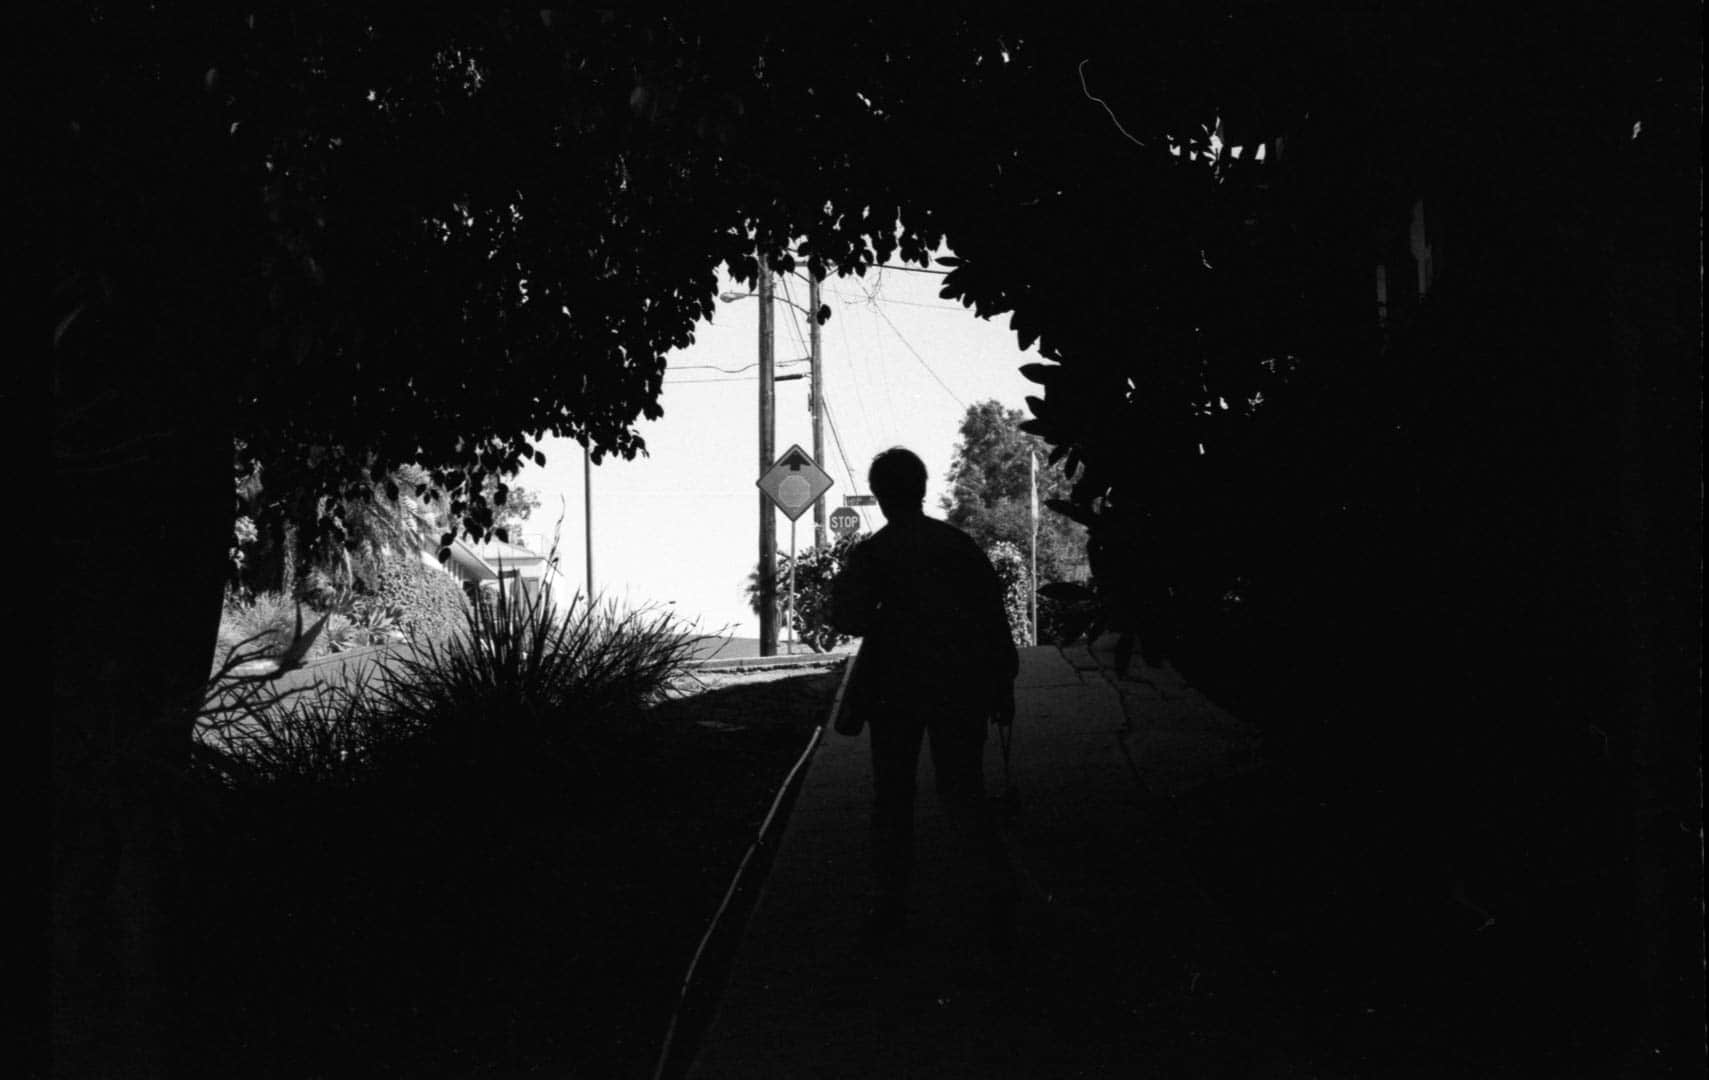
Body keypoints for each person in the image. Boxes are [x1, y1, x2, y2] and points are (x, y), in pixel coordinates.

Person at [829, 447, 1020, 952]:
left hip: (894, 688)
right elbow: (993, 622)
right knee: (963, 789)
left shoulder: (874, 554)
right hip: (960, 685)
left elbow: (849, 619)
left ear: (879, 494)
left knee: (893, 796)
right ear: (923, 486)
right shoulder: (958, 546)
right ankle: (991, 900)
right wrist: (1002, 685)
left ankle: (890, 903)